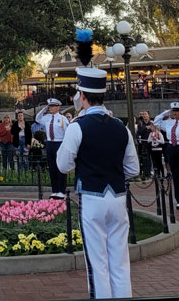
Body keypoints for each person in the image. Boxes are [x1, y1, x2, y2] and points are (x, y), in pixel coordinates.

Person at [57, 67, 138, 300]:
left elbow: (63, 165)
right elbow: (133, 169)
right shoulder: (121, 127)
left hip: (92, 197)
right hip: (118, 197)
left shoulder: (77, 127)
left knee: (97, 264)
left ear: (82, 96)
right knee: (120, 261)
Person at [36, 98, 71, 198]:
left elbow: (67, 133)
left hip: (59, 143)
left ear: (58, 107)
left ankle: (62, 191)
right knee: (52, 168)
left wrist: (65, 146)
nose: (51, 108)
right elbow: (37, 118)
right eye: (50, 106)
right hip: (50, 143)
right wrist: (44, 109)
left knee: (60, 167)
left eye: (53, 106)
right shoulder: (47, 117)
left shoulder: (63, 118)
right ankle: (55, 190)